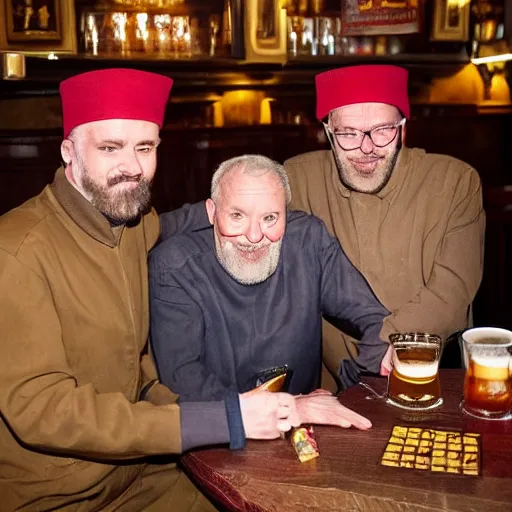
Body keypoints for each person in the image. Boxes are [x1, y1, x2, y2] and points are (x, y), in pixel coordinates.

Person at [0, 69, 341, 512]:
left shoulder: (130, 226)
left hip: (141, 473)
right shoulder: (17, 251)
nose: (133, 167)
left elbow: (135, 372)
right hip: (58, 496)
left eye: (145, 147)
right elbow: (43, 411)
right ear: (69, 151)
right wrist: (224, 418)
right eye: (109, 148)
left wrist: (252, 211)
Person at [283, 64, 485, 392]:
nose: (366, 148)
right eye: (348, 133)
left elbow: (452, 289)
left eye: (382, 130)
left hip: (433, 379)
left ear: (403, 128)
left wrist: (379, 347)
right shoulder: (295, 179)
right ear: (328, 130)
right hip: (331, 391)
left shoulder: (455, 181)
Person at [149, 154, 392, 410]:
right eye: (237, 216)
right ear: (211, 212)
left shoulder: (308, 241)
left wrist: (368, 371)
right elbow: (184, 383)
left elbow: (373, 316)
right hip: (218, 436)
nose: (254, 236)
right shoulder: (174, 265)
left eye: (270, 218)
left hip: (304, 432)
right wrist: (280, 409)